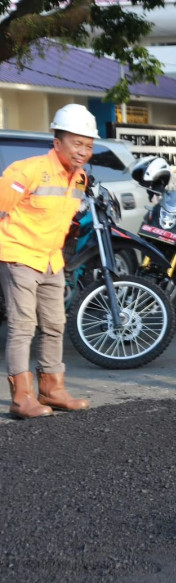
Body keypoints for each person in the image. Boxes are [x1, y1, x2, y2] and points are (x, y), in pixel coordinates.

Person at [0, 104, 96, 419]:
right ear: (57, 142)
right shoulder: (26, 170)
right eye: (77, 143)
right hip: (19, 255)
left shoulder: (80, 178)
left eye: (89, 145)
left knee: (55, 325)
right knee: (22, 326)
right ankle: (22, 398)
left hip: (52, 260)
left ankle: (52, 390)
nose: (83, 151)